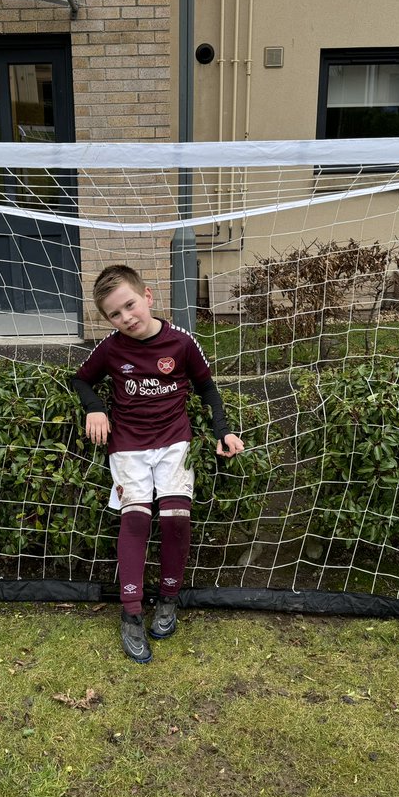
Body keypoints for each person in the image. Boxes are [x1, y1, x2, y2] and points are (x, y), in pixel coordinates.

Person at [72, 264, 245, 663]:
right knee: (136, 519)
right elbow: (80, 379)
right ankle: (131, 612)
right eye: (114, 314)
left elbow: (207, 389)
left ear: (147, 296)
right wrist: (94, 408)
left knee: (175, 519)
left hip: (173, 444)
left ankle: (168, 598)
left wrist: (223, 431)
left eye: (130, 305)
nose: (126, 317)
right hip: (128, 445)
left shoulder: (181, 343)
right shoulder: (112, 348)